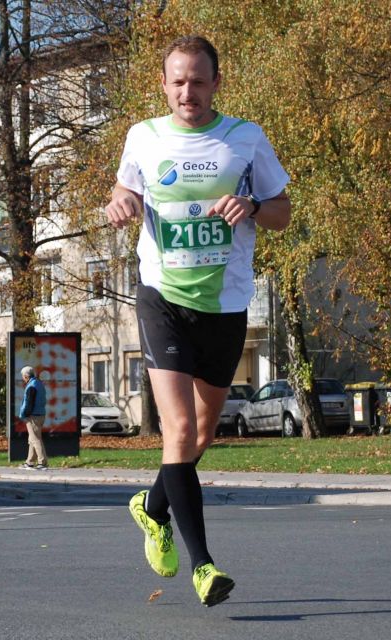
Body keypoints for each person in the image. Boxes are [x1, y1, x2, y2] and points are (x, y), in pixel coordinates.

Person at [105, 35, 290, 607]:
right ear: (164, 85)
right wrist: (120, 204)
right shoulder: (144, 136)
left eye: (199, 80)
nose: (189, 90)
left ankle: (151, 506)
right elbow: (123, 189)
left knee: (203, 435)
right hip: (162, 298)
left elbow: (282, 211)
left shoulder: (245, 138)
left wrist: (253, 207)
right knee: (179, 432)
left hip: (225, 305)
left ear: (216, 83)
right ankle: (205, 567)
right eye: (178, 80)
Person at [18, 366, 48, 470]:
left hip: (33, 416)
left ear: (26, 376)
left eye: (23, 376)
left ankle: (42, 462)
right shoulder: (39, 383)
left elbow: (28, 403)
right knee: (32, 439)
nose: (22, 378)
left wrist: (24, 414)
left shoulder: (31, 386)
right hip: (41, 414)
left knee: (35, 439)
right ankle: (29, 462)